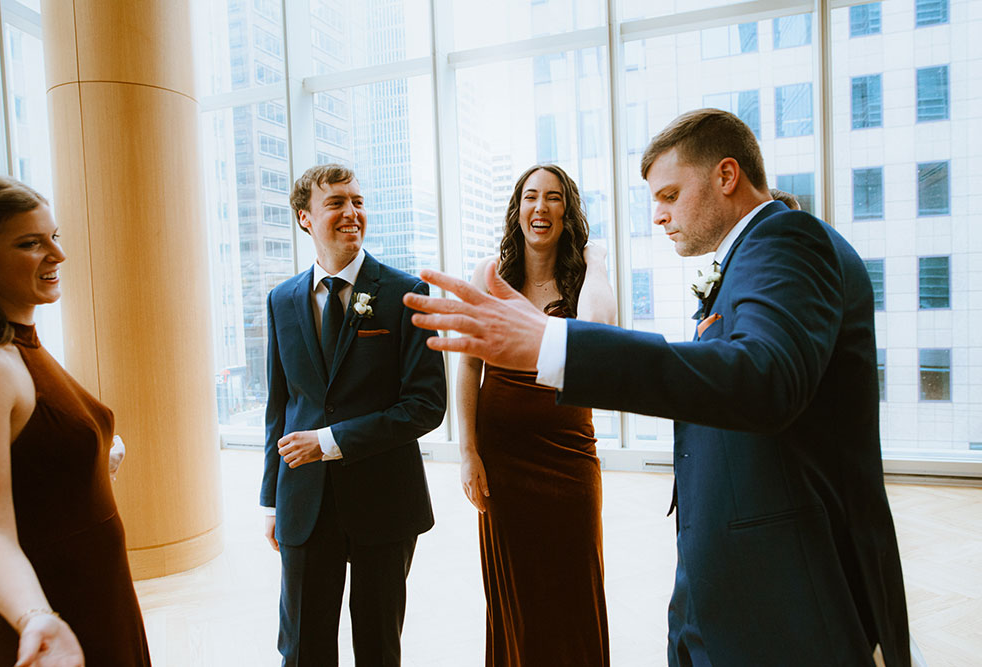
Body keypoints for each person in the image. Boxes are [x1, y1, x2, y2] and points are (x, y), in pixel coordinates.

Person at [403, 109, 910, 666]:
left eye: (669, 195)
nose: (659, 217)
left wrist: (554, 345)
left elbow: (763, 379)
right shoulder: (749, 258)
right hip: (728, 571)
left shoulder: (786, 238)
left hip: (787, 580)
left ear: (726, 176)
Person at [261, 164, 446, 667]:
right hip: (303, 502)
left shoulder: (408, 293)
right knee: (301, 648)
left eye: (358, 201)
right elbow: (279, 408)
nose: (352, 213)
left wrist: (329, 441)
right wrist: (273, 502)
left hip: (384, 499)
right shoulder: (281, 301)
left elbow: (426, 405)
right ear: (305, 217)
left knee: (378, 646)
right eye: (336, 203)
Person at [0, 174, 151, 666]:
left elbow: (34, 463)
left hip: (98, 596)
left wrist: (99, 459)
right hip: (57, 613)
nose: (56, 255)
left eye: (54, 237)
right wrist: (37, 616)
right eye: (30, 243)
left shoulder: (21, 343)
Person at [459, 165, 616, 666]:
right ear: (517, 209)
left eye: (553, 198)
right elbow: (465, 367)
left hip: (569, 463)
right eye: (530, 196)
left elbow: (599, 334)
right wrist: (467, 453)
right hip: (503, 464)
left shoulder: (582, 282)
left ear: (567, 213)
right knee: (516, 598)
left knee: (573, 592)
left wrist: (599, 259)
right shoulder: (488, 277)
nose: (540, 207)